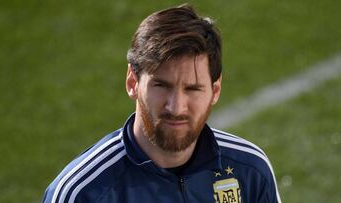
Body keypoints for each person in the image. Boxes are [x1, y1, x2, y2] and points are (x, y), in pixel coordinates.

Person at [42, 4, 281, 203]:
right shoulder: (82, 193)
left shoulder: (250, 171)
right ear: (132, 82)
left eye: (192, 89)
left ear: (215, 91)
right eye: (161, 85)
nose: (176, 107)